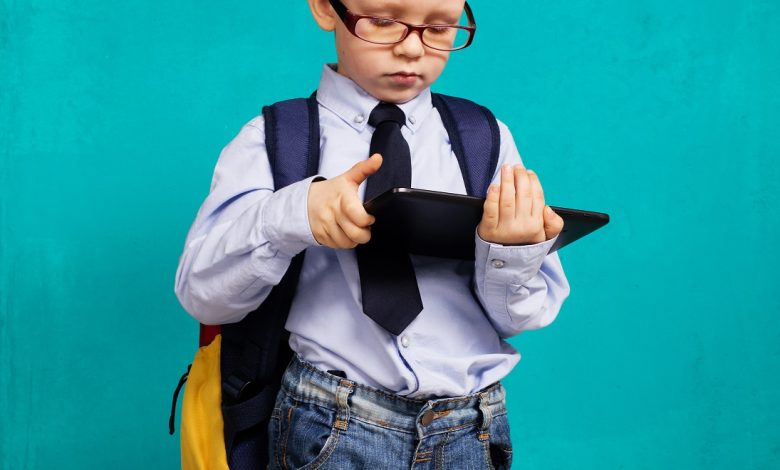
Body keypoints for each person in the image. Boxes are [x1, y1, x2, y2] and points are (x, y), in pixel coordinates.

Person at [174, 0, 570, 468]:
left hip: (471, 427)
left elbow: (523, 316)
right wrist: (291, 215)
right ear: (325, 9)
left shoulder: (484, 138)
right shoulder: (276, 138)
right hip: (330, 424)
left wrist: (512, 252)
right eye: (383, 22)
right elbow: (203, 296)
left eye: (440, 28)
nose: (411, 50)